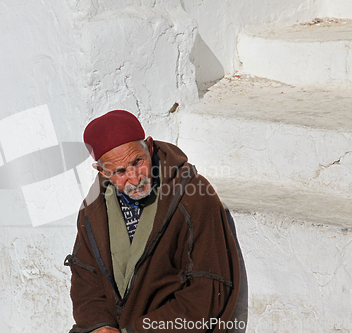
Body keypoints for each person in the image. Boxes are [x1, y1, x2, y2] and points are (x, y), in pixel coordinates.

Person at [64, 110, 240, 333]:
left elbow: (207, 291)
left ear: (150, 146)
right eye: (119, 171)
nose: (135, 178)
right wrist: (100, 326)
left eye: (138, 161)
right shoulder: (93, 208)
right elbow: (85, 279)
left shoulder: (195, 197)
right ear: (101, 171)